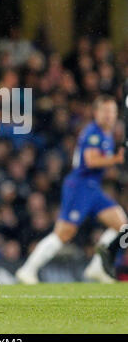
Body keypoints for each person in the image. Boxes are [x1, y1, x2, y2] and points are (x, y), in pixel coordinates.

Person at [16, 95, 127, 284]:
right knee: (64, 233)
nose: (109, 116)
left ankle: (97, 268)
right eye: (105, 111)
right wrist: (116, 159)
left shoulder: (106, 133)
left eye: (112, 112)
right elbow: (91, 160)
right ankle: (28, 270)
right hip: (80, 186)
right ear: (96, 113)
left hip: (93, 188)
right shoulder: (93, 132)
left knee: (121, 225)